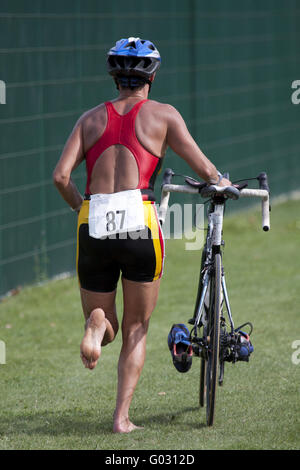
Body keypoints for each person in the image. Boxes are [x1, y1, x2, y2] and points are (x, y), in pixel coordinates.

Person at [53, 37, 231, 434]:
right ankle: (121, 419)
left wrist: (81, 206)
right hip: (140, 223)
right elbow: (204, 168)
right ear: (152, 75)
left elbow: (60, 177)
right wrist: (222, 181)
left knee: (110, 324)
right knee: (136, 328)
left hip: (93, 224)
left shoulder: (88, 119)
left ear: (114, 76)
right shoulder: (163, 115)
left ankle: (96, 323)